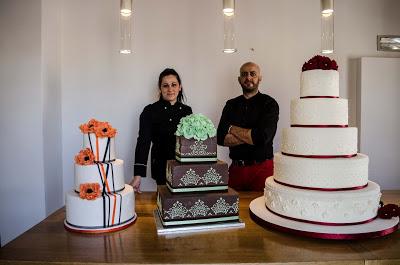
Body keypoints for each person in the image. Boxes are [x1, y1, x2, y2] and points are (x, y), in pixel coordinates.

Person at [217, 62, 279, 191]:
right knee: (233, 209)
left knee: (262, 209)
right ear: (239, 79)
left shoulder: (270, 104)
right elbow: (220, 138)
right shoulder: (230, 104)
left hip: (262, 169)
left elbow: (263, 138)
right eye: (244, 74)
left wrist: (231, 128)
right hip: (236, 170)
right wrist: (252, 135)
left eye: (253, 74)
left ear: (259, 78)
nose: (248, 77)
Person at [130, 68, 192, 191]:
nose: (170, 89)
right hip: (160, 165)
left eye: (174, 85)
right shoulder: (150, 111)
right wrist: (138, 175)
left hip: (184, 166)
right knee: (164, 203)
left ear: (180, 87)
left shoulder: (187, 111)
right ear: (160, 89)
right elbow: (143, 142)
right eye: (165, 86)